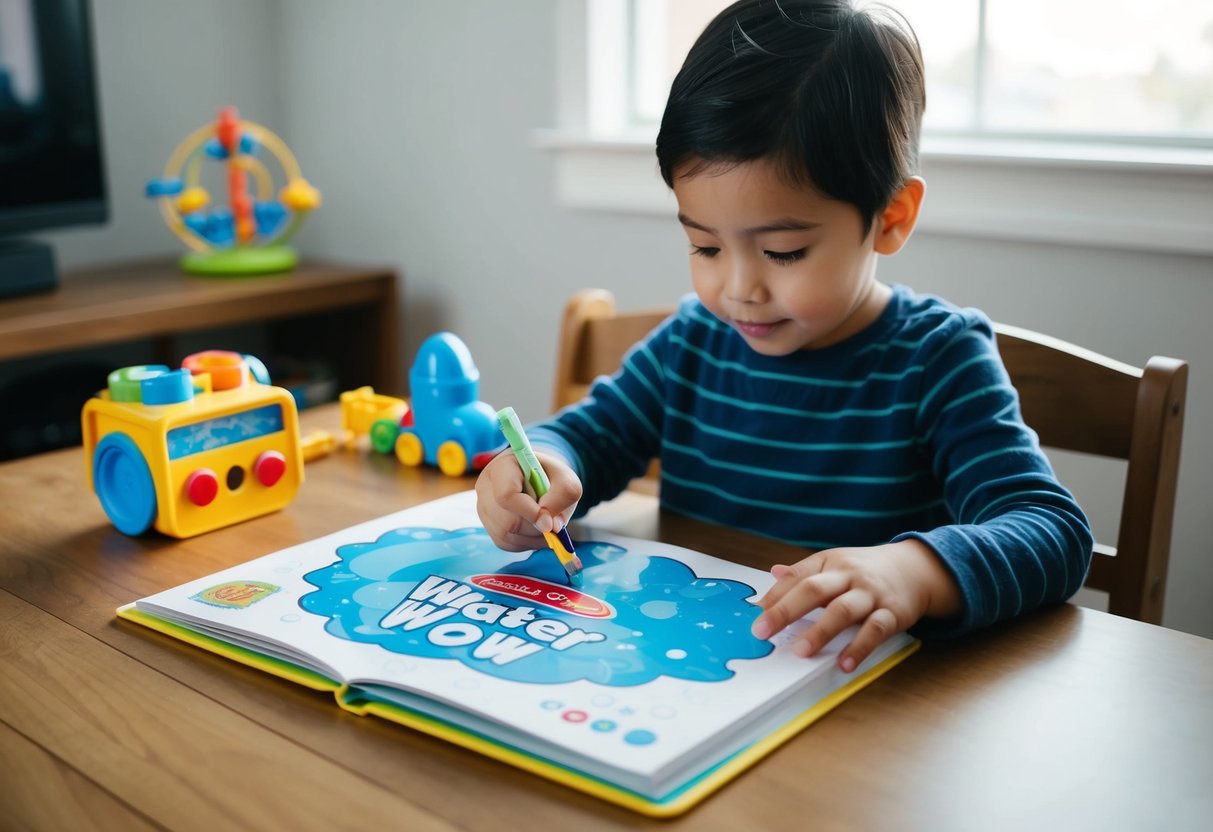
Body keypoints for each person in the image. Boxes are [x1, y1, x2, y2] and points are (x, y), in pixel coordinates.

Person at [476, 0, 1091, 672]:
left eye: (785, 251)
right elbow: (589, 436)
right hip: (698, 671)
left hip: (862, 702)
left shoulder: (937, 361)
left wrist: (913, 572)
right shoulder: (691, 344)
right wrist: (540, 466)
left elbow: (1051, 532)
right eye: (704, 246)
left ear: (890, 217)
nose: (738, 288)